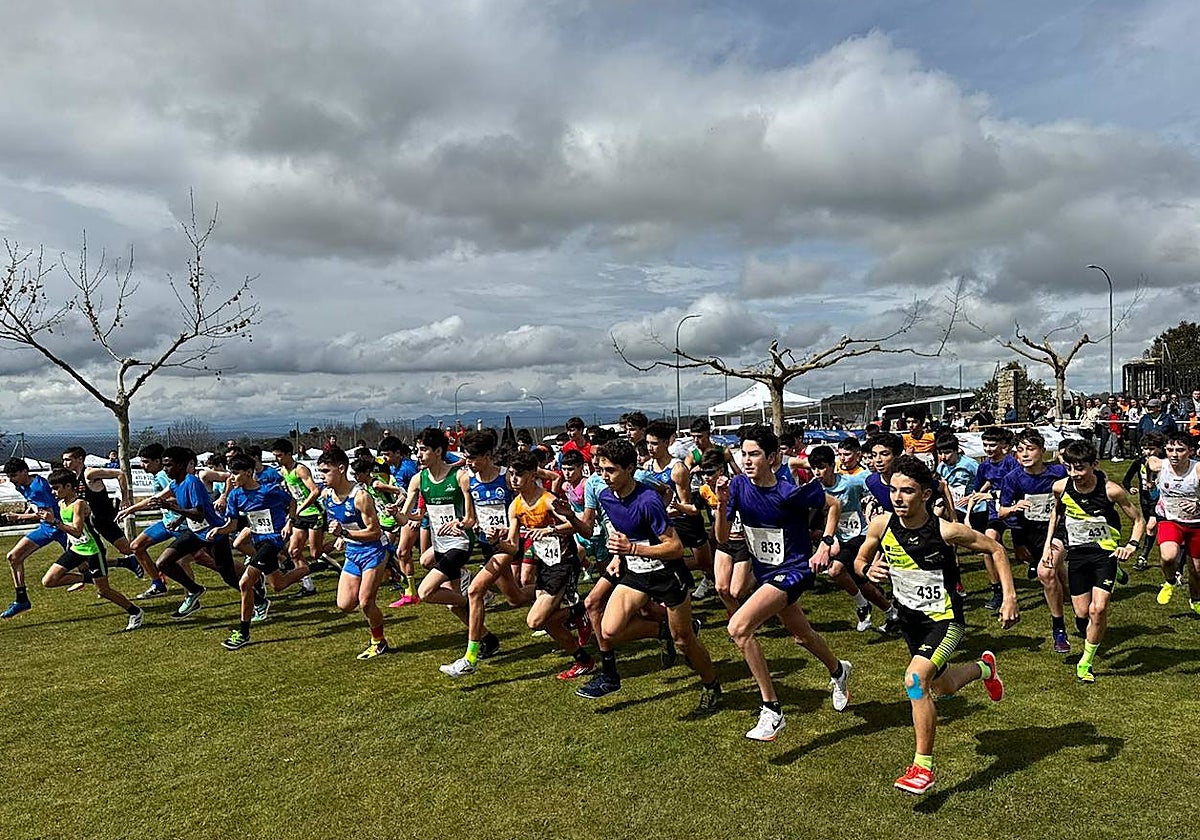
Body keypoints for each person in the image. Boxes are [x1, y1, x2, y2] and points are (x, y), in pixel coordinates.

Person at [853, 455, 1019, 795]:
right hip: (910, 622)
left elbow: (996, 549)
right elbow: (860, 559)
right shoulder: (881, 525)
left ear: (925, 495)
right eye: (894, 490)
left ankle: (922, 767)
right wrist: (866, 570)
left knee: (915, 682)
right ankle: (985, 669)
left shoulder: (946, 531)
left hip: (944, 621)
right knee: (940, 688)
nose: (898, 498)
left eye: (908, 491)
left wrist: (1009, 597)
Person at [715, 427, 853, 741]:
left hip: (794, 570)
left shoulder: (789, 491)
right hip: (766, 572)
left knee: (739, 628)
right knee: (802, 636)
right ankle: (838, 670)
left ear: (774, 457)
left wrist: (825, 543)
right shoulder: (737, 486)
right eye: (743, 453)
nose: (747, 460)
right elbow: (722, 538)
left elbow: (833, 505)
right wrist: (721, 505)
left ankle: (772, 709)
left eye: (755, 454)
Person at [576, 438, 722, 713]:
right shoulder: (607, 496)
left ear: (630, 469)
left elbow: (675, 548)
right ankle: (662, 631)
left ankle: (711, 685)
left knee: (685, 643)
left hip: (667, 574)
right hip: (637, 572)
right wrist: (620, 556)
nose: (603, 476)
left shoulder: (648, 501)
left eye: (610, 470)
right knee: (609, 630)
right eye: (601, 469)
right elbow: (622, 531)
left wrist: (632, 548)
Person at [446, 449, 595, 680]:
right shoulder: (515, 506)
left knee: (534, 620)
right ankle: (584, 660)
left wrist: (552, 528)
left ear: (533, 475)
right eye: (512, 475)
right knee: (548, 623)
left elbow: (586, 529)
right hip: (545, 564)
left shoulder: (548, 501)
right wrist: (498, 542)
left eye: (519, 475)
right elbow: (513, 547)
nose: (514, 480)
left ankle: (582, 610)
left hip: (563, 564)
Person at [1044, 441, 1144, 683]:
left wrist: (1131, 545)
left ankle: (1085, 663)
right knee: (1081, 612)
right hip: (1078, 555)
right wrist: (1048, 544)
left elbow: (1138, 519)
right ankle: (1091, 629)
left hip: (1105, 554)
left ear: (1094, 465)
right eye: (1070, 468)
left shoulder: (1111, 490)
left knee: (1097, 609)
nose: (1075, 474)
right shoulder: (1060, 487)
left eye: (1080, 468)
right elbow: (1056, 513)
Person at [208, 453, 300, 651]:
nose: (231, 477)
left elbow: (292, 502)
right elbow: (232, 526)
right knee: (279, 584)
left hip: (273, 541)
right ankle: (314, 567)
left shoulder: (270, 491)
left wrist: (289, 522)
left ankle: (243, 632)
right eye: (230, 473)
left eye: (235, 473)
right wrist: (219, 530)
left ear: (249, 473)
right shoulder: (235, 495)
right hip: (258, 541)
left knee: (244, 583)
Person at [39, 468, 144, 631]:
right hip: (76, 550)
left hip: (93, 551)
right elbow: (71, 534)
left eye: (56, 488)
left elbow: (77, 530)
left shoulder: (79, 504)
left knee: (104, 591)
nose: (53, 492)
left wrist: (55, 522)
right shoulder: (61, 503)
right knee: (49, 580)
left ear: (68, 486)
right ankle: (87, 578)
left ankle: (135, 612)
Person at [997, 429, 1070, 653]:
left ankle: (1059, 630)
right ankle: (1076, 607)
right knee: (1060, 582)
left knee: (1046, 574)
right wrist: (1013, 508)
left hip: (1059, 531)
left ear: (1042, 451)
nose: (1025, 454)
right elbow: (1001, 512)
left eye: (1030, 449)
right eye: (1020, 450)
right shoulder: (1013, 479)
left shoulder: (1058, 472)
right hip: (1031, 535)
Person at [809, 445, 892, 631]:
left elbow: (873, 491)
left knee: (835, 571)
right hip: (839, 538)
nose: (817, 472)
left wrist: (872, 511)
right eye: (814, 468)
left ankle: (863, 606)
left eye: (821, 467)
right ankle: (892, 612)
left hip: (860, 534)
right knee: (861, 581)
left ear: (832, 465)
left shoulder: (850, 483)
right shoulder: (815, 489)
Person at [321, 450, 392, 659]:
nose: (322, 476)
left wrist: (345, 533)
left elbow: (375, 531)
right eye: (320, 471)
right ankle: (392, 572)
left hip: (374, 550)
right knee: (344, 604)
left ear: (341, 469)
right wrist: (342, 538)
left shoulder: (361, 496)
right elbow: (344, 524)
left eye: (326, 471)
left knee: (366, 602)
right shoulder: (328, 497)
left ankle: (378, 642)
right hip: (353, 551)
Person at [61, 446, 151, 582]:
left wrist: (125, 498)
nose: (65, 463)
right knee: (83, 561)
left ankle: (155, 572)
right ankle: (121, 565)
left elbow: (120, 474)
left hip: (102, 519)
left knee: (127, 549)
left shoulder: (89, 473)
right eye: (63, 460)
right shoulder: (74, 478)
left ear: (80, 459)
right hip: (88, 524)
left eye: (68, 460)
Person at [2, 458, 70, 618]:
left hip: (60, 529)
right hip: (46, 529)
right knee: (13, 557)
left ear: (24, 472)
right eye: (9, 476)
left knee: (90, 565)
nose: (11, 480)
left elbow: (47, 515)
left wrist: (18, 517)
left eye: (14, 475)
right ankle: (21, 600)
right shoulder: (22, 485)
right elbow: (37, 509)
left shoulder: (37, 488)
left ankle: (124, 563)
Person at [967, 426, 1021, 611]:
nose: (988, 449)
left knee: (1023, 554)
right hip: (994, 513)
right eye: (985, 445)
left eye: (992, 445)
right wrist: (970, 507)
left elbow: (1018, 490)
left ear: (1003, 446)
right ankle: (997, 590)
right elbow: (978, 489)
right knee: (988, 546)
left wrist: (992, 496)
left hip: (1014, 511)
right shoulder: (983, 467)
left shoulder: (1012, 464)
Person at [1152, 432, 1200, 612]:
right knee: (1168, 556)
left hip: (1196, 523)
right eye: (1170, 449)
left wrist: (1198, 502)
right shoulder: (1160, 465)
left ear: (1191, 452)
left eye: (1180, 450)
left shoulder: (1197, 470)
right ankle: (1170, 581)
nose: (1174, 454)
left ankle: (1195, 599)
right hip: (1170, 520)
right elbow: (1151, 462)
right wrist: (1150, 481)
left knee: (1196, 570)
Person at [271, 438, 323, 595]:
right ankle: (308, 585)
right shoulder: (284, 472)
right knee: (293, 551)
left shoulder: (300, 469)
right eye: (275, 455)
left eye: (279, 455)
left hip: (314, 513)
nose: (276, 459)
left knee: (315, 554)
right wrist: (291, 516)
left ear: (288, 454)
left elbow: (315, 491)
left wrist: (301, 507)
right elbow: (294, 496)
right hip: (300, 515)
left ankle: (341, 541)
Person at [1121, 432, 1164, 572]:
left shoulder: (1164, 462)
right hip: (1145, 498)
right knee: (1151, 528)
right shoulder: (1139, 462)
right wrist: (1130, 488)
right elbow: (1126, 479)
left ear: (1159, 448)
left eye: (1151, 449)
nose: (1148, 452)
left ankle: (1143, 556)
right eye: (1145, 448)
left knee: (1151, 526)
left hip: (1159, 498)